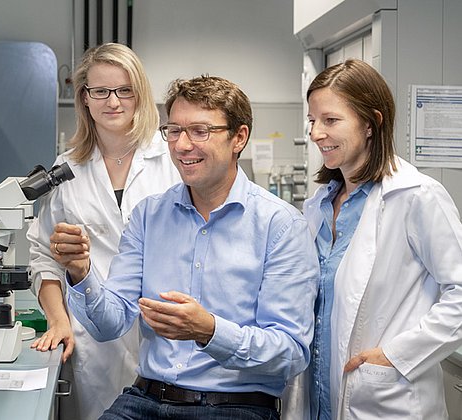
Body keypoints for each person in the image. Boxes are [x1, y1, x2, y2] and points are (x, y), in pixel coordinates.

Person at [51, 75, 319, 420]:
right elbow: (109, 324)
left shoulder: (280, 226)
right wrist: (80, 271)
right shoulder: (149, 216)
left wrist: (210, 330)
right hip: (145, 398)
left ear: (239, 137)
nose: (182, 145)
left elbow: (290, 353)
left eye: (200, 131)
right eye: (174, 131)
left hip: (233, 407)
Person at [289, 58, 462, 419]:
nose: (316, 132)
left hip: (384, 397)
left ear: (371, 123)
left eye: (330, 120)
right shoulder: (318, 205)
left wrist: (395, 356)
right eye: (312, 121)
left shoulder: (416, 196)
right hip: (319, 395)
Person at [26, 43, 181, 420]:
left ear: (140, 94)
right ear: (85, 98)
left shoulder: (172, 158)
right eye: (100, 91)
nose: (113, 101)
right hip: (92, 340)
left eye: (124, 90)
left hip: (163, 331)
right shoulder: (68, 167)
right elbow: (42, 253)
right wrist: (58, 319)